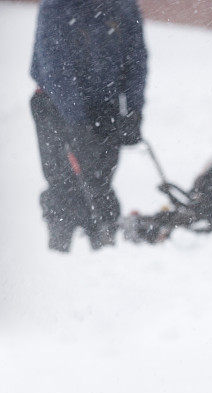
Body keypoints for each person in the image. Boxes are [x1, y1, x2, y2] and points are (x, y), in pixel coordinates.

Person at [30, 0, 147, 252]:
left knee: (100, 180)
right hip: (54, 104)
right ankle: (59, 247)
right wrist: (76, 123)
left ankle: (104, 245)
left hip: (106, 105)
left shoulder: (123, 7)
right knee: (64, 180)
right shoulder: (57, 8)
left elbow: (136, 59)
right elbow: (55, 68)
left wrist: (134, 111)